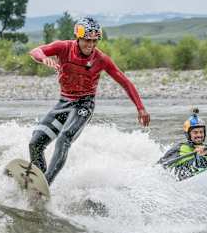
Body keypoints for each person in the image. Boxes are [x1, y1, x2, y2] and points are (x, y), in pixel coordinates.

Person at [28, 16, 150, 186]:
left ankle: (46, 184)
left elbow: (125, 82)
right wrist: (43, 58)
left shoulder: (101, 59)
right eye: (87, 40)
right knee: (35, 143)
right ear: (78, 37)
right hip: (64, 103)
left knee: (64, 139)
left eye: (94, 41)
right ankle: (38, 180)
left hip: (84, 105)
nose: (91, 45)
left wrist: (141, 108)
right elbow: (35, 51)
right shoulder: (63, 47)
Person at [158, 108, 207, 180]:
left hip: (206, 177)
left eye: (201, 132)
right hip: (186, 177)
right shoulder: (179, 148)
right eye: (195, 132)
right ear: (188, 135)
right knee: (195, 161)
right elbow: (161, 165)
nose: (199, 135)